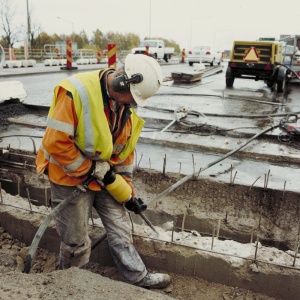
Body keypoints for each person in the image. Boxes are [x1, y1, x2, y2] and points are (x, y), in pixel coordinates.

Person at [35, 54, 171, 289]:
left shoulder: (124, 107)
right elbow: (55, 143)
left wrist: (126, 190)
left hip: (104, 177)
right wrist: (90, 169)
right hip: (69, 177)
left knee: (121, 228)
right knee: (76, 242)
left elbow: (125, 152)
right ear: (121, 83)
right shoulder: (75, 92)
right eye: (134, 97)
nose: (135, 103)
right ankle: (69, 284)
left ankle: (138, 277)